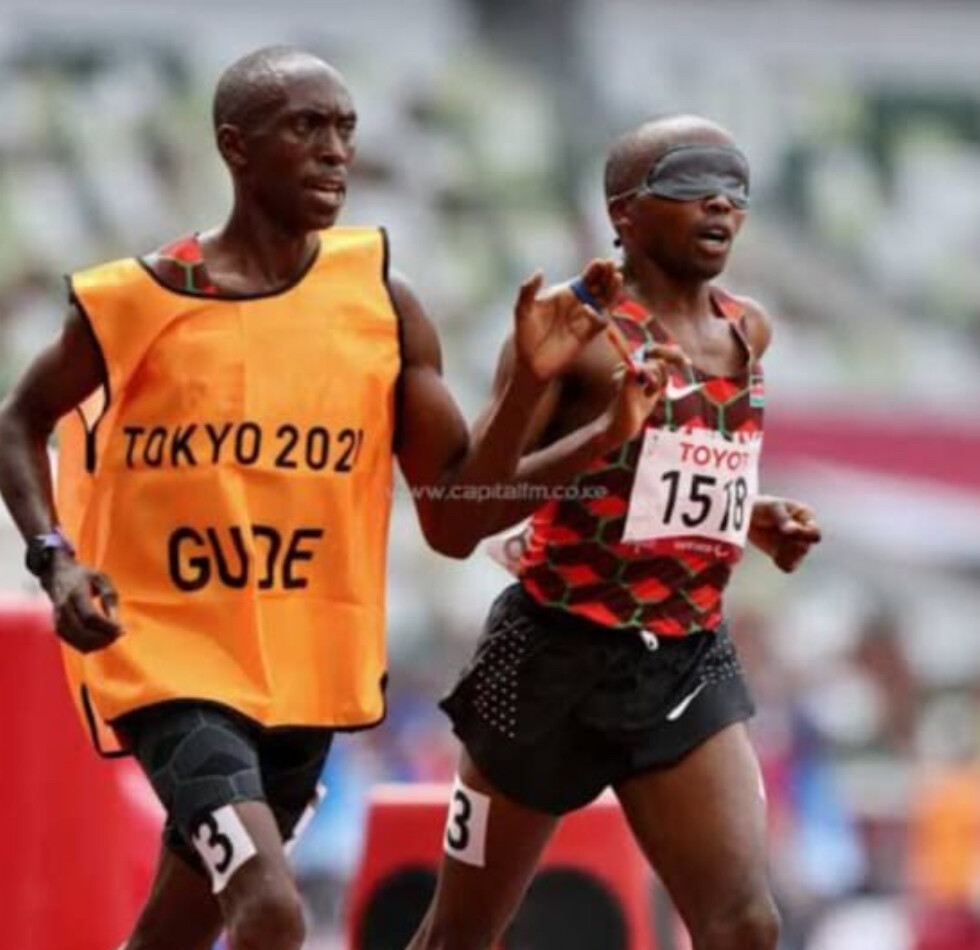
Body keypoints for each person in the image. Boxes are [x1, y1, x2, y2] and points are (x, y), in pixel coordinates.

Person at [0, 47, 665, 950]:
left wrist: (564, 416)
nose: (335, 150)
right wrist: (56, 561)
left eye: (346, 128)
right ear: (235, 146)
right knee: (272, 913)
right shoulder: (138, 300)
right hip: (170, 660)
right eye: (306, 127)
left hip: (306, 672)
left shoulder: (382, 305)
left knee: (175, 934)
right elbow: (18, 421)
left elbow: (455, 517)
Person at [406, 115, 823, 950]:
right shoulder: (575, 334)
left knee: (745, 925)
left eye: (735, 188)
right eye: (691, 183)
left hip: (683, 657)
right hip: (548, 659)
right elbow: (463, 517)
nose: (720, 203)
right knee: (461, 937)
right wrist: (536, 388)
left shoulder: (748, 330)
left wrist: (750, 516)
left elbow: (664, 479)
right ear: (623, 213)